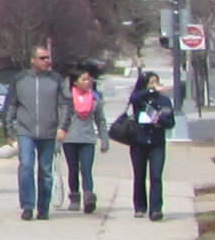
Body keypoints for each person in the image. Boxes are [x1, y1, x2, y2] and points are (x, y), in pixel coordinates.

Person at [4, 44, 68, 221]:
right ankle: (27, 206)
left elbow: (65, 104)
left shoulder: (56, 79)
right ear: (32, 60)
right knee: (26, 166)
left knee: (46, 171)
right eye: (42, 58)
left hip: (49, 132)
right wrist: (8, 130)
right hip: (26, 131)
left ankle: (43, 207)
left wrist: (63, 127)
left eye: (48, 58)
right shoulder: (20, 79)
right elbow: (11, 104)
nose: (47, 61)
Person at [116, 69, 176, 219]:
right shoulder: (139, 99)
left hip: (157, 143)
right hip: (139, 142)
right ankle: (140, 206)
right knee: (139, 175)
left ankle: (156, 209)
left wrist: (160, 120)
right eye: (151, 83)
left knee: (156, 176)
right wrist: (150, 90)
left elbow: (170, 122)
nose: (155, 86)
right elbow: (134, 98)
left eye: (157, 82)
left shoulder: (164, 101)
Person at [60, 66, 106, 212]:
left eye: (89, 79)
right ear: (75, 82)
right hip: (70, 139)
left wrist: (104, 139)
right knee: (73, 169)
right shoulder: (66, 99)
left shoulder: (95, 98)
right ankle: (74, 198)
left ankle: (88, 198)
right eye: (84, 79)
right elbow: (60, 119)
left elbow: (100, 120)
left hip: (88, 138)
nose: (88, 82)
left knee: (86, 169)